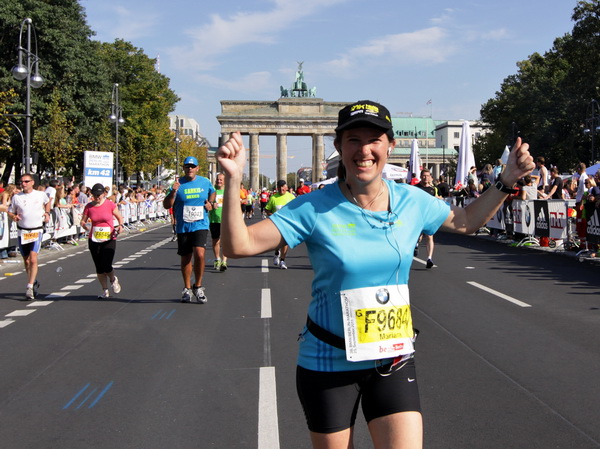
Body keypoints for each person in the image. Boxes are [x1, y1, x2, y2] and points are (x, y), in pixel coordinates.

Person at [217, 99, 534, 449]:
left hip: (391, 359)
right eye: (353, 140)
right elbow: (238, 245)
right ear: (339, 147)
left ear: (390, 146)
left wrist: (506, 181)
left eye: (374, 140)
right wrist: (233, 180)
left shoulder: (413, 200)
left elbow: (467, 220)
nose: (364, 150)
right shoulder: (313, 207)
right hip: (328, 361)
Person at [163, 156, 215, 303]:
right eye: (187, 166)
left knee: (199, 253)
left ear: (197, 168)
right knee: (186, 257)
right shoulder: (177, 184)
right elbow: (166, 205)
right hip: (184, 225)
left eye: (192, 166)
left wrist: (210, 203)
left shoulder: (205, 181)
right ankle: (187, 288)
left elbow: (212, 192)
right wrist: (173, 192)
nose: (190, 168)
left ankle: (198, 286)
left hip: (200, 224)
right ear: (184, 168)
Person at [7, 174, 52, 300]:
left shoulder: (40, 194)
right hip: (23, 232)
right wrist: (13, 216)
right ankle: (33, 280)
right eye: (22, 182)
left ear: (32, 182)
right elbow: (10, 211)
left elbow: (48, 202)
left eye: (26, 181)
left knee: (33, 259)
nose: (24, 184)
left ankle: (30, 286)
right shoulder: (17, 197)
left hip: (36, 230)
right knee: (26, 260)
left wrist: (47, 213)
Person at [80, 183, 124, 299]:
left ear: (104, 194)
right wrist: (84, 225)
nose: (97, 197)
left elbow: (119, 217)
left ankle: (113, 279)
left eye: (99, 195)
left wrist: (120, 225)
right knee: (99, 267)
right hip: (94, 239)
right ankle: (105, 290)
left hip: (109, 238)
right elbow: (83, 220)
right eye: (94, 195)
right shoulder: (89, 206)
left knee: (107, 264)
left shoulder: (110, 204)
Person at [265, 179, 295, 269]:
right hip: (276, 223)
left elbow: (296, 209)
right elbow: (267, 209)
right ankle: (276, 253)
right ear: (277, 188)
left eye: (283, 187)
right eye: (279, 187)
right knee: (277, 242)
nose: (281, 189)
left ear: (286, 187)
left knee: (285, 241)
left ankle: (282, 261)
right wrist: (273, 215)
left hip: (287, 224)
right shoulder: (273, 198)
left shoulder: (291, 197)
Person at [413, 168, 440, 268]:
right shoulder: (415, 188)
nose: (426, 178)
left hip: (429, 216)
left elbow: (438, 199)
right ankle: (416, 244)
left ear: (430, 177)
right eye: (424, 176)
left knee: (429, 236)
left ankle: (429, 258)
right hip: (418, 215)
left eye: (428, 176)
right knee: (418, 235)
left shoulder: (433, 189)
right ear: (420, 177)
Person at [209, 173, 228, 271]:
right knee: (215, 240)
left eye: (221, 179)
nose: (219, 181)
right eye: (217, 179)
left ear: (224, 181)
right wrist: (212, 204)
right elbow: (207, 203)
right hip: (214, 219)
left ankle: (224, 261)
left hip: (225, 220)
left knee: (225, 241)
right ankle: (217, 259)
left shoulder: (227, 191)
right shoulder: (212, 191)